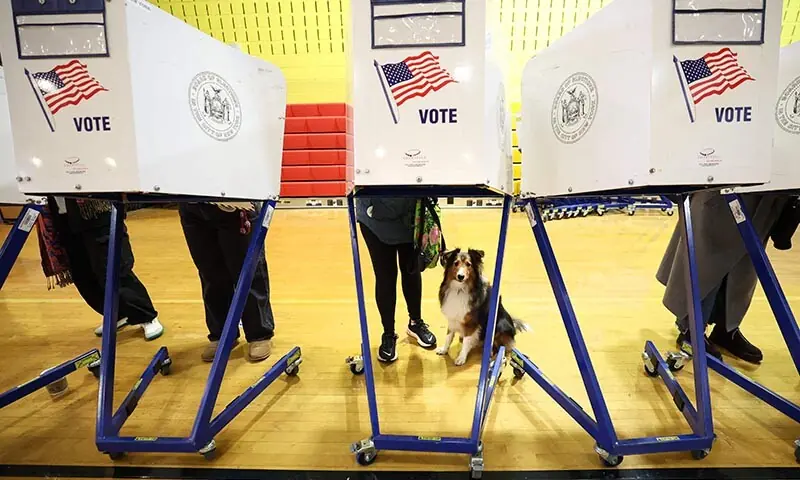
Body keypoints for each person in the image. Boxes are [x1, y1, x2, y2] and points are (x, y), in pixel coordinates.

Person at [657, 191, 796, 364]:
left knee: (745, 268)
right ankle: (692, 330)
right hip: (724, 185)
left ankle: (726, 329)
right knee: (708, 260)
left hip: (769, 193)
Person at [36, 196, 164, 340]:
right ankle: (117, 314)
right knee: (82, 273)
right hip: (61, 214)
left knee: (113, 268)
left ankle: (146, 316)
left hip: (95, 209)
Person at [178, 201, 274, 363]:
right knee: (210, 274)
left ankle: (259, 334)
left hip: (235, 204)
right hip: (192, 204)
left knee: (248, 272)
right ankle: (221, 334)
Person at [356, 197, 437, 362]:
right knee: (385, 277)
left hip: (409, 217)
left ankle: (415, 323)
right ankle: (388, 333)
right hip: (375, 219)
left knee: (411, 272)